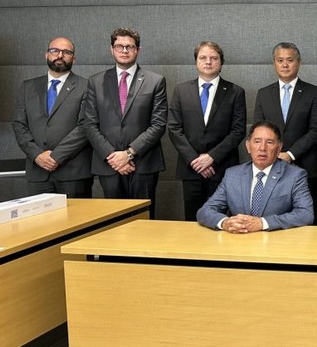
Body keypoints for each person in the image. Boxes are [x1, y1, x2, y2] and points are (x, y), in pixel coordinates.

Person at [82, 28, 167, 218]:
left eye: (130, 46)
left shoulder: (155, 81)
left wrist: (128, 154)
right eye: (119, 46)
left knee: (143, 220)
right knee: (114, 223)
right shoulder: (96, 81)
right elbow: (89, 124)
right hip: (109, 164)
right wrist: (113, 157)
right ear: (111, 49)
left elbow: (159, 124)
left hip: (143, 164)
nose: (124, 50)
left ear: (138, 50)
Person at [168, 41, 246, 221]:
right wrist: (195, 160)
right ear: (196, 62)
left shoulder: (235, 92)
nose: (208, 62)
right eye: (203, 57)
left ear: (221, 62)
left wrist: (211, 157)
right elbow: (174, 128)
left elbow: (238, 131)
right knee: (192, 220)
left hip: (222, 168)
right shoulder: (181, 91)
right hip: (191, 168)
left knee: (221, 220)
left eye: (214, 58)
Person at [253, 42, 317, 224]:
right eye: (280, 60)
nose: (285, 65)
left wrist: (290, 154)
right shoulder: (263, 93)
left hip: (305, 165)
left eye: (290, 60)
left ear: (298, 62)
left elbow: (316, 129)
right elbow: (258, 130)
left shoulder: (313, 92)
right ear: (274, 63)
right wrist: (275, 153)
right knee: (273, 217)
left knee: (308, 217)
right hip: (271, 165)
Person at [197, 121, 313, 232]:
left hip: (276, 240)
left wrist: (263, 223)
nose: (262, 148)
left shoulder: (295, 175)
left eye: (269, 142)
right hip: (239, 239)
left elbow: (306, 214)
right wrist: (225, 223)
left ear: (279, 148)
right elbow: (205, 211)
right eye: (257, 141)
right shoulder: (232, 175)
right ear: (248, 146)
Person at [13, 37, 93, 197]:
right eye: (54, 50)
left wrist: (56, 157)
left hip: (73, 173)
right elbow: (19, 125)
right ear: (46, 55)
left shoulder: (87, 86)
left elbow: (85, 126)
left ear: (74, 58)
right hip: (38, 172)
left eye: (66, 52)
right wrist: (37, 155)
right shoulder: (27, 87)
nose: (60, 55)